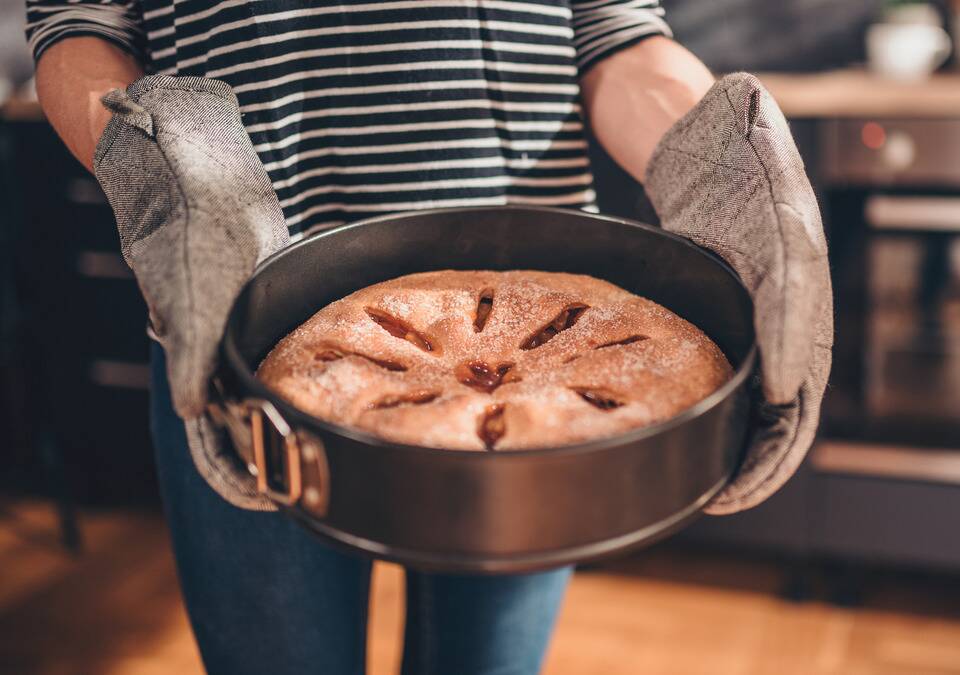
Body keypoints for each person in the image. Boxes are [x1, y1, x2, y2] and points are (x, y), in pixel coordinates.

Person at [25, 1, 832, 673]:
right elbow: (77, 30)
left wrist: (725, 168)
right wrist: (171, 175)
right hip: (234, 316)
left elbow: (617, 37)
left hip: (548, 360)